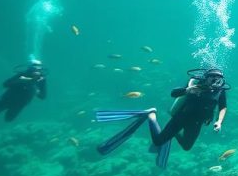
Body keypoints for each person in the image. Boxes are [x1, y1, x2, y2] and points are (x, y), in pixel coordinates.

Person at [95, 68, 229, 168]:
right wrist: (188, 90)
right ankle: (151, 116)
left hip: (197, 123)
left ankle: (173, 132)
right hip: (181, 117)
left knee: (187, 146)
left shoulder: (220, 91)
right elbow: (173, 93)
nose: (215, 82)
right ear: (206, 78)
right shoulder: (195, 84)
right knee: (158, 141)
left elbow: (223, 107)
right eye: (212, 78)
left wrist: (219, 121)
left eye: (218, 80)